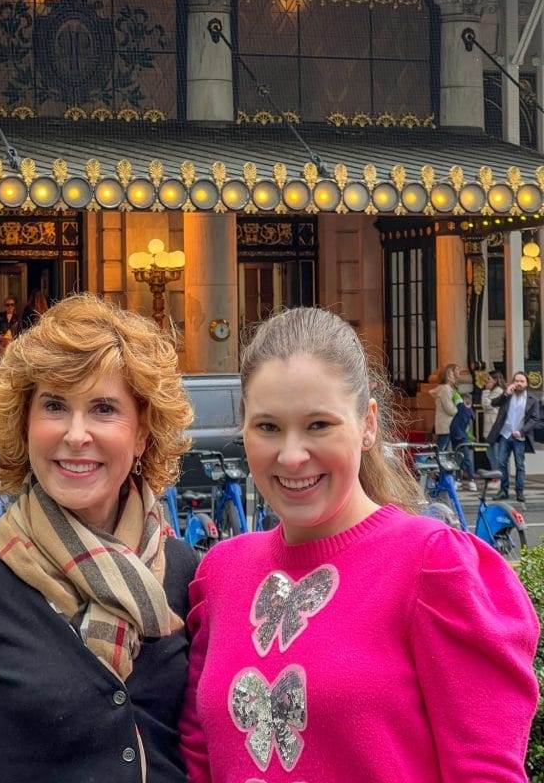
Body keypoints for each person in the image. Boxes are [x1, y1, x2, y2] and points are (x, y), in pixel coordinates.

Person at [180, 307, 538, 783]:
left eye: (318, 425)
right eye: (268, 427)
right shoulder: (221, 572)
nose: (291, 454)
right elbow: (197, 759)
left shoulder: (434, 565)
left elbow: (484, 773)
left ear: (367, 424)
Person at [0, 293, 197, 783]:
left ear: (142, 433)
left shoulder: (187, 574)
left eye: (103, 408)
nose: (76, 434)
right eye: (55, 406)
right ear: (24, 425)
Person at [486, 369, 539, 506]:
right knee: (502, 463)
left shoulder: (532, 400)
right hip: (505, 434)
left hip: (519, 437)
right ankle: (503, 491)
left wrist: (522, 432)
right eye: (516, 381)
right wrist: (505, 393)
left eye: (522, 381)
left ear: (526, 384)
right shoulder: (507, 395)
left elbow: (534, 419)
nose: (519, 383)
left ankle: (519, 492)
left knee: (519, 465)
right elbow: (493, 403)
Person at [429, 363, 475, 488]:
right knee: (442, 451)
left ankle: (453, 478)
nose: (454, 377)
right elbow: (450, 409)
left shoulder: (451, 389)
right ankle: (438, 477)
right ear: (446, 376)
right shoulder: (444, 389)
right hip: (446, 426)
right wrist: (459, 409)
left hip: (452, 426)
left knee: (453, 452)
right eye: (451, 374)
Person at [481, 369, 506, 468]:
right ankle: (496, 476)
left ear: (495, 380)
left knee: (494, 454)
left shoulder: (498, 392)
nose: (486, 381)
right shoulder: (495, 391)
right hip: (491, 428)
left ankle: (498, 476)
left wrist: (486, 391)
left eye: (489, 379)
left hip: (494, 429)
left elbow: (486, 405)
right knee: (491, 454)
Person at [0, 295, 20, 360]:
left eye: (12, 305)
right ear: (5, 306)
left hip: (11, 344)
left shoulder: (18, 318)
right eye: (7, 305)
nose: (10, 307)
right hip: (0, 344)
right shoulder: (0, 316)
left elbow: (20, 332)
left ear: (14, 306)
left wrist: (14, 339)